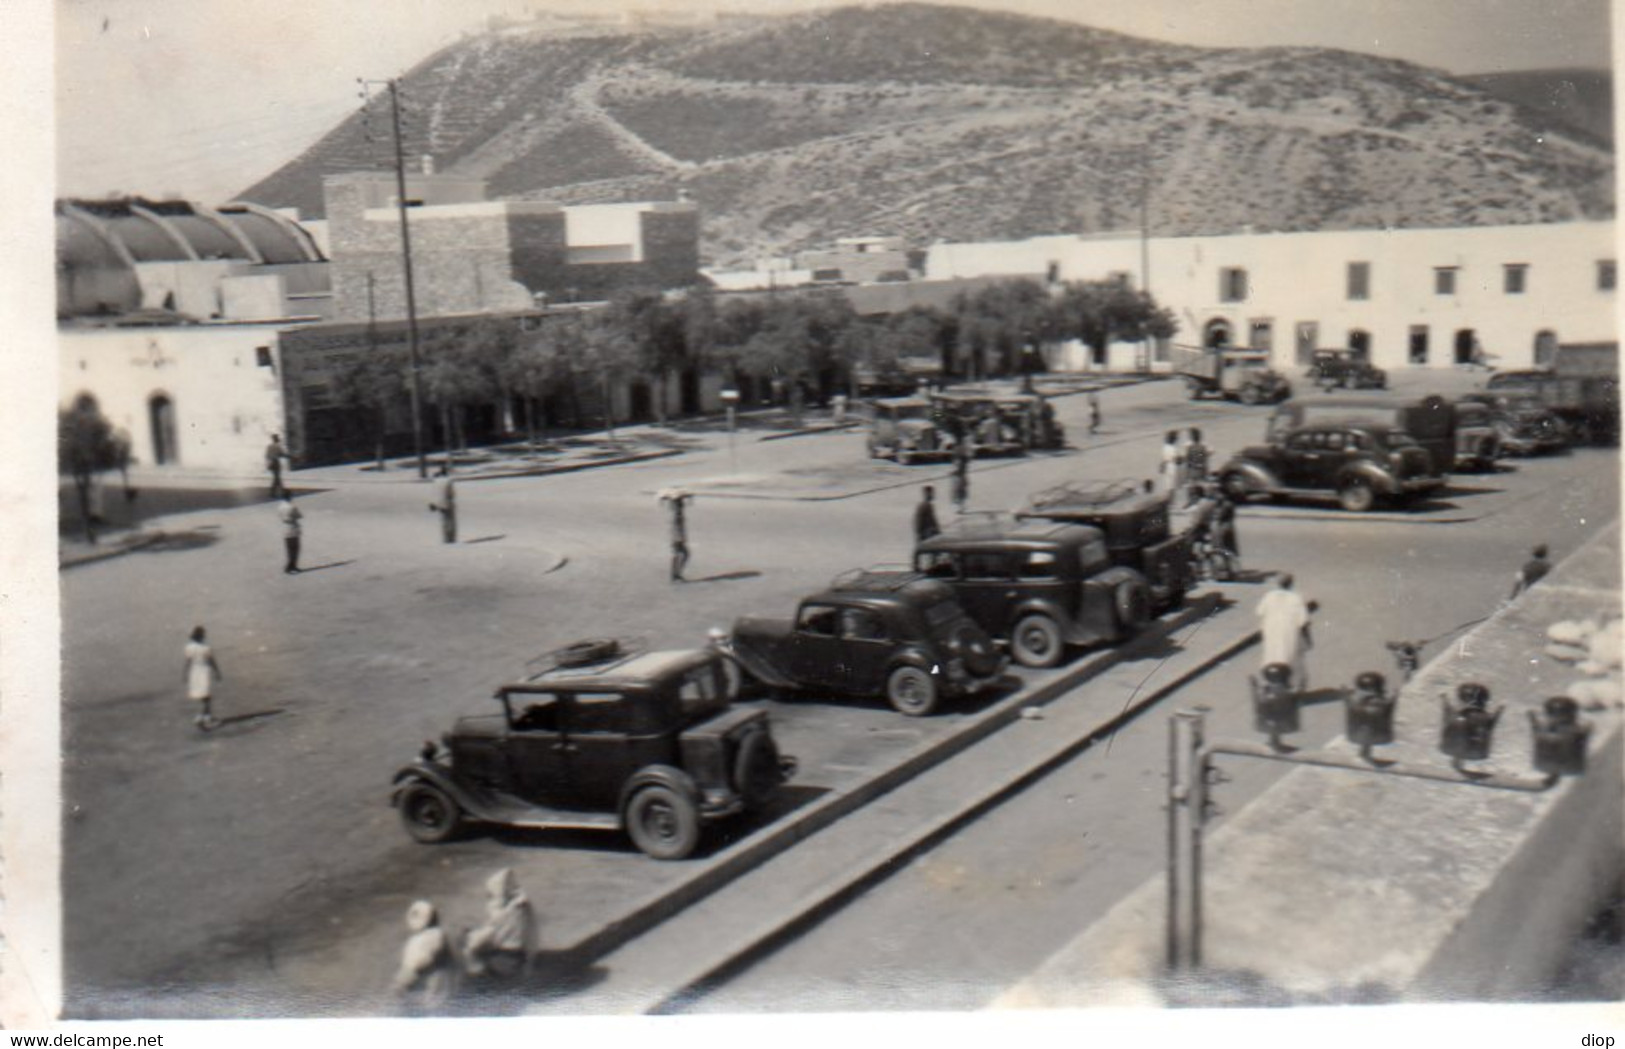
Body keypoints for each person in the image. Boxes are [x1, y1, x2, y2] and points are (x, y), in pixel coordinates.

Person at [463, 868, 536, 983]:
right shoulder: (520, 908)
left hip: (504, 960)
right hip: (522, 956)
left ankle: (476, 978)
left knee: (470, 949)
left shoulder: (502, 914)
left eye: (490, 896)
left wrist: (470, 938)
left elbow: (486, 936)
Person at [393, 900, 456, 1014]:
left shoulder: (419, 942)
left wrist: (398, 987)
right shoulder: (443, 935)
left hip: (429, 1004)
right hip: (449, 996)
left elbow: (410, 973)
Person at [1256, 573, 1312, 692]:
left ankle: (1270, 680)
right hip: (1289, 631)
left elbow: (1260, 612)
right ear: (1291, 584)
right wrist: (1308, 638)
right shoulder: (1296, 598)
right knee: (1291, 656)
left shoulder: (1269, 596)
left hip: (1271, 630)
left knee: (1272, 654)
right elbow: (1303, 621)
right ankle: (1293, 684)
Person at [184, 625, 223, 731]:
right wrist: (217, 672)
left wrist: (185, 674)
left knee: (203, 696)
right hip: (203, 671)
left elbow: (188, 661)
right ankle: (204, 717)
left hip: (194, 672)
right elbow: (211, 661)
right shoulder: (205, 648)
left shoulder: (189, 647)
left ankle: (205, 715)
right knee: (207, 696)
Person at [662, 490, 691, 582]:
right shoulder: (677, 514)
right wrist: (679, 538)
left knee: (679, 554)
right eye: (681, 503)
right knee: (683, 554)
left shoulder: (676, 512)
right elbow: (676, 526)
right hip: (676, 537)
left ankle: (675, 574)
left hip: (676, 536)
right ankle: (675, 574)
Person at [429, 465, 457, 545]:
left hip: (438, 502)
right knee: (450, 520)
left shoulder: (436, 480)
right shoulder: (448, 481)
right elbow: (451, 493)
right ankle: (451, 538)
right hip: (447, 502)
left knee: (443, 520)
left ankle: (445, 538)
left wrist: (433, 503)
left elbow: (433, 492)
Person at [278, 492, 303, 575]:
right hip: (293, 528)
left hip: (285, 528)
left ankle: (290, 566)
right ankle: (291, 566)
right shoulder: (292, 507)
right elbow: (299, 516)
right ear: (289, 497)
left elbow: (279, 516)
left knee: (289, 549)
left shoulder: (280, 506)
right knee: (295, 549)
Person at [1159, 430, 1183, 496]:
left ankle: (1168, 498)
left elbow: (1164, 458)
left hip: (1167, 466)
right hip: (1173, 467)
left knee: (1168, 485)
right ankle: (1171, 500)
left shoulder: (1165, 447)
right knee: (1172, 486)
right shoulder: (1173, 448)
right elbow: (1177, 459)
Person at [951, 442, 971, 513]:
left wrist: (952, 473)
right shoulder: (963, 460)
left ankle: (960, 508)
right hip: (962, 478)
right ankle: (961, 507)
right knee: (961, 493)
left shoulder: (959, 461)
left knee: (959, 493)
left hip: (959, 479)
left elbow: (958, 470)